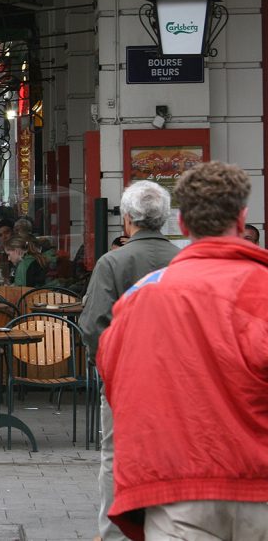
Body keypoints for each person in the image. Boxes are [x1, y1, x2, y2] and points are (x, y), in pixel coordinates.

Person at [98, 162, 268, 540]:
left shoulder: (144, 297)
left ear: (184, 224)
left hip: (177, 490)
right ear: (241, 220)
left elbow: (116, 381)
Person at [78, 180, 179, 541]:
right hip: (179, 381)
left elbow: (93, 325)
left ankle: (114, 532)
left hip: (126, 382)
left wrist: (111, 367)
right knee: (174, 453)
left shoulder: (113, 262)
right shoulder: (183, 261)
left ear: (127, 220)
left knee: (116, 454)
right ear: (165, 220)